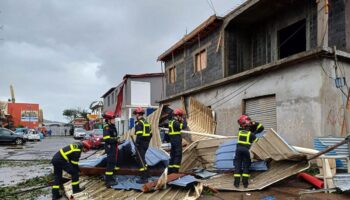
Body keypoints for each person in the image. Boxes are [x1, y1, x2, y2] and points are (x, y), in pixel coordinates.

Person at [233, 115, 259, 188]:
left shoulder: (239, 133)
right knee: (246, 166)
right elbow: (257, 141)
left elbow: (241, 129)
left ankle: (236, 184)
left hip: (238, 150)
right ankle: (245, 184)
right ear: (248, 126)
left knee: (237, 166)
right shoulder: (251, 134)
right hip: (245, 151)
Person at [133, 107, 152, 184]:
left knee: (140, 160)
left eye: (135, 114)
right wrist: (147, 141)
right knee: (143, 159)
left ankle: (143, 178)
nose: (135, 116)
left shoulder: (139, 124)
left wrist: (136, 144)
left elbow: (139, 136)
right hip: (146, 144)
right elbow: (151, 134)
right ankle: (147, 174)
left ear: (138, 114)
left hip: (140, 145)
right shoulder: (146, 123)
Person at [166, 108, 186, 174]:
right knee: (178, 155)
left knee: (173, 155)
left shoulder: (171, 122)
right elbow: (184, 126)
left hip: (172, 140)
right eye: (180, 116)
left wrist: (180, 121)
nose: (180, 117)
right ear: (177, 116)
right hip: (176, 140)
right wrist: (184, 120)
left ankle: (170, 171)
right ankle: (175, 172)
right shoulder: (175, 123)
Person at [102, 111, 119, 187]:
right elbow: (107, 139)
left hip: (113, 147)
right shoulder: (107, 127)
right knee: (110, 164)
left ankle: (111, 178)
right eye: (113, 119)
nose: (114, 120)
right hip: (110, 148)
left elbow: (114, 136)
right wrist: (116, 140)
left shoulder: (112, 126)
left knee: (113, 163)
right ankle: (108, 181)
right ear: (109, 120)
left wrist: (117, 140)